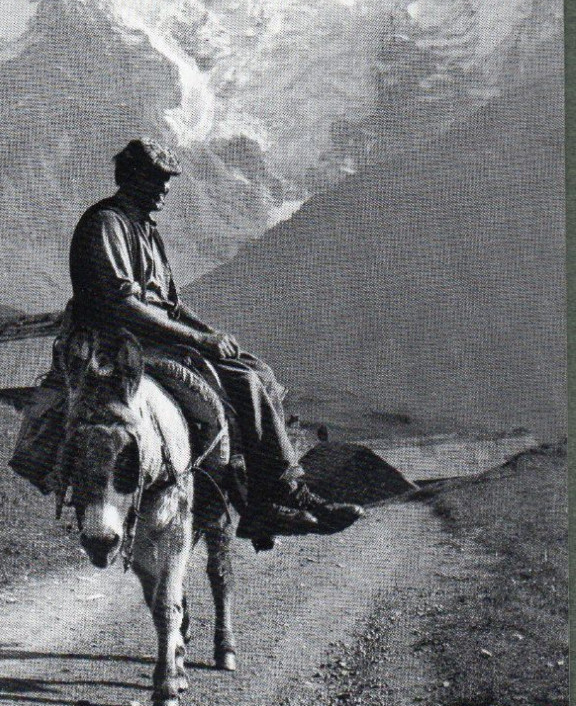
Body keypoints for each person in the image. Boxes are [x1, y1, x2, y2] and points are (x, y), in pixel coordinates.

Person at [68, 137, 364, 549]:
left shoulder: (144, 229)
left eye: (166, 184)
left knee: (257, 370)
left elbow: (170, 304)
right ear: (131, 178)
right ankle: (286, 492)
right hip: (120, 346)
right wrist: (196, 339)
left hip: (156, 338)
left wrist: (211, 336)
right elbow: (124, 305)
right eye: (155, 181)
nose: (163, 191)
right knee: (242, 382)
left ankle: (260, 496)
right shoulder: (107, 224)